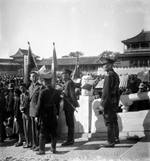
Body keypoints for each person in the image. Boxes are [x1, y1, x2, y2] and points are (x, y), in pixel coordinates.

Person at [36, 72, 61, 155]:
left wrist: (37, 115)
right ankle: (53, 148)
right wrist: (57, 114)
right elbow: (58, 104)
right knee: (53, 132)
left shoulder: (42, 92)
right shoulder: (56, 92)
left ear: (45, 82)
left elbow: (39, 105)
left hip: (44, 115)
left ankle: (42, 150)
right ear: (50, 82)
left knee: (42, 133)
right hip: (53, 114)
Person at [98, 53, 120, 147]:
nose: (103, 66)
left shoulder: (108, 75)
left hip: (108, 102)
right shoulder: (115, 75)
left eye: (105, 64)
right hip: (114, 102)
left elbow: (106, 93)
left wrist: (102, 105)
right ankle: (116, 138)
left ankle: (110, 141)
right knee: (114, 120)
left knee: (109, 122)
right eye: (103, 65)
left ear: (110, 65)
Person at [61, 69, 79, 146]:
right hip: (67, 105)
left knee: (70, 123)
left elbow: (72, 95)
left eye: (65, 74)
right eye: (63, 74)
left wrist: (74, 104)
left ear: (68, 75)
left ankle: (70, 140)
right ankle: (70, 139)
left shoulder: (69, 83)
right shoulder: (66, 83)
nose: (63, 76)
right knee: (69, 123)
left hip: (69, 105)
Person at [28, 71, 41, 150]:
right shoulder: (30, 87)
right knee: (33, 129)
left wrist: (38, 112)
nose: (33, 78)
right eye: (32, 76)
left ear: (37, 77)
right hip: (31, 110)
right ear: (30, 78)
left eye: (35, 76)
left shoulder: (40, 87)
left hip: (37, 111)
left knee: (38, 129)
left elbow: (40, 100)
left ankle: (39, 145)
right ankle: (34, 144)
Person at [20, 83, 32, 148]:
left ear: (25, 87)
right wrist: (20, 108)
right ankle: (27, 142)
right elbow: (20, 103)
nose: (21, 89)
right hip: (23, 113)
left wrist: (24, 107)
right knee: (25, 129)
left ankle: (30, 142)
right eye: (20, 88)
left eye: (22, 88)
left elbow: (30, 103)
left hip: (28, 113)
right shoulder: (21, 95)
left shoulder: (28, 94)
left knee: (28, 129)